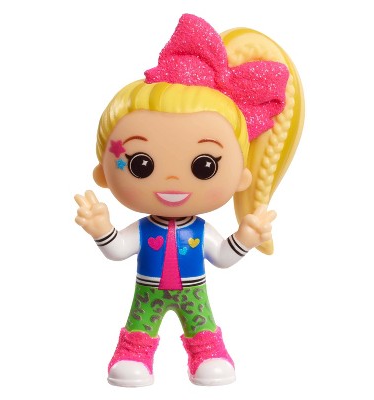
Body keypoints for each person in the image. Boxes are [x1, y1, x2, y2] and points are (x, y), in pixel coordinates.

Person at [74, 14, 304, 387]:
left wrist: (245, 237)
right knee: (139, 325)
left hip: (194, 293)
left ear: (241, 176)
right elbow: (117, 250)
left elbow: (223, 256)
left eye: (204, 166)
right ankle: (133, 353)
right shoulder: (145, 229)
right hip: (147, 293)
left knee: (203, 325)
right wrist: (101, 229)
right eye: (141, 164)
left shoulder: (198, 230)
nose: (171, 181)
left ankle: (208, 353)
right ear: (103, 172)